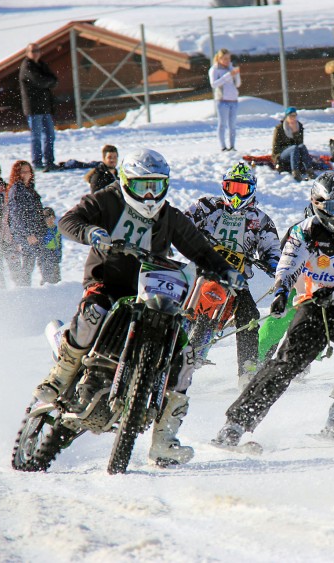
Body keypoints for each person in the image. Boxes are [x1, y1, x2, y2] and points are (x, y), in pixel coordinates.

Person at [32, 149, 245, 467]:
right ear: (126, 181)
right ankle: (59, 377)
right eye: (143, 185)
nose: (150, 194)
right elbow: (68, 221)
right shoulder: (107, 200)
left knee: (185, 357)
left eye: (157, 186)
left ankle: (164, 440)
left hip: (155, 291)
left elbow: (198, 246)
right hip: (109, 282)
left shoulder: (169, 216)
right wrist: (92, 232)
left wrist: (224, 271)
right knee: (93, 314)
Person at [211, 171, 334, 448]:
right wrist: (282, 291)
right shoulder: (304, 231)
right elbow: (288, 264)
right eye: (332, 207)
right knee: (285, 363)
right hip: (314, 308)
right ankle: (234, 425)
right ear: (318, 204)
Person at [184, 162, 281, 389]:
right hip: (202, 269)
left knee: (250, 315)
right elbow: (181, 222)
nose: (236, 194)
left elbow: (273, 250)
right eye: (232, 187)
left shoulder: (260, 220)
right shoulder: (206, 206)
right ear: (223, 187)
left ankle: (247, 369)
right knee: (171, 299)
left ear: (252, 190)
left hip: (236, 278)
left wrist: (272, 264)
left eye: (242, 189)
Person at [19, 42, 58, 171]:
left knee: (50, 135)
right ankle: (37, 163)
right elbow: (39, 81)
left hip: (45, 107)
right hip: (34, 108)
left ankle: (49, 162)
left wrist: (48, 82)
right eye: (33, 51)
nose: (36, 53)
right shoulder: (27, 66)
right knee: (36, 136)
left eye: (37, 50)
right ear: (27, 53)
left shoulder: (41, 64)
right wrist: (48, 82)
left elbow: (53, 79)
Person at [7, 160, 46, 286]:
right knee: (25, 267)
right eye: (23, 172)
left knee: (30, 265)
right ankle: (23, 291)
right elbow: (17, 214)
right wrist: (28, 233)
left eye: (28, 171)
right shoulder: (17, 189)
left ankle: (26, 289)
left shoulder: (29, 189)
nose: (27, 174)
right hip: (24, 235)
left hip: (33, 233)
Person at [209, 48, 241, 152]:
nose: (227, 61)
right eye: (224, 58)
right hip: (222, 100)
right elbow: (214, 84)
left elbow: (237, 84)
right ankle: (223, 146)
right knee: (222, 123)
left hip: (233, 100)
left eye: (228, 58)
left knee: (232, 125)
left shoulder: (231, 68)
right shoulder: (215, 69)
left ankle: (232, 146)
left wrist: (236, 74)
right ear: (219, 58)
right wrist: (228, 75)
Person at [271, 107, 315, 182]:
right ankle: (295, 173)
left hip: (295, 151)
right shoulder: (279, 128)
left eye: (294, 116)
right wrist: (277, 158)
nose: (293, 118)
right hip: (282, 153)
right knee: (293, 148)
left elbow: (300, 143)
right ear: (286, 117)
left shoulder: (299, 126)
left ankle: (310, 171)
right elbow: (275, 147)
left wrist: (295, 133)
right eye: (291, 116)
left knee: (302, 146)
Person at [40, 207, 62, 285]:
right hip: (45, 254)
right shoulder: (43, 229)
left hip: (55, 253)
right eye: (48, 218)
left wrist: (59, 253)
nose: (51, 220)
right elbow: (42, 242)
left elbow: (59, 242)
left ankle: (57, 289)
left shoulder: (56, 228)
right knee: (46, 276)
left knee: (56, 276)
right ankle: (45, 289)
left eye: (52, 217)